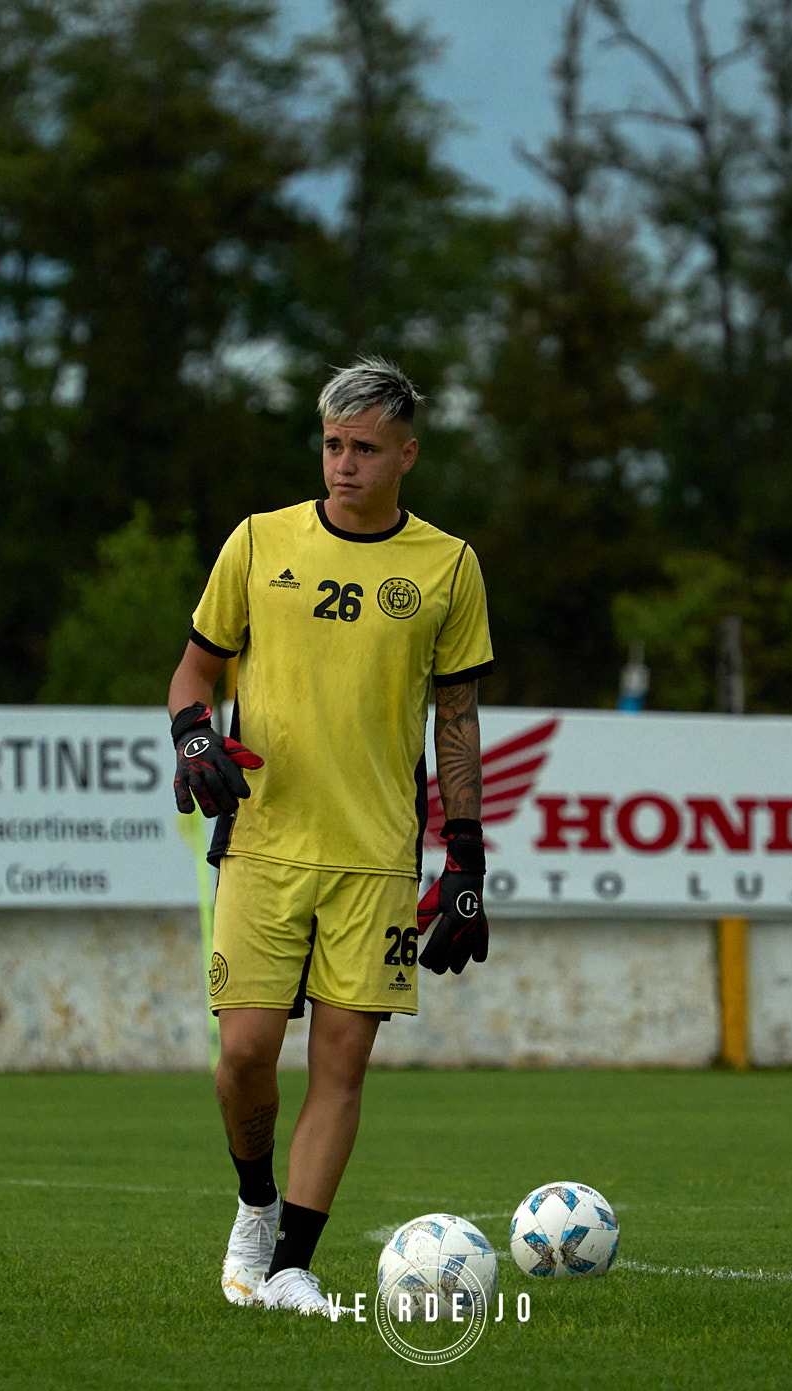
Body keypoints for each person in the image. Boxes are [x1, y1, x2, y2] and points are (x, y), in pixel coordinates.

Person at [165, 356, 493, 1317]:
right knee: (246, 1054)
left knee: (342, 1062)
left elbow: (459, 722)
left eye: (363, 449)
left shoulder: (448, 565)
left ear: (406, 456)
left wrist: (466, 859)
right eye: (332, 445)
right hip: (264, 843)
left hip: (378, 857)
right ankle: (256, 1199)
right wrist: (194, 738)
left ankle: (292, 1265)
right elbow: (194, 673)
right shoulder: (259, 541)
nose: (343, 465)